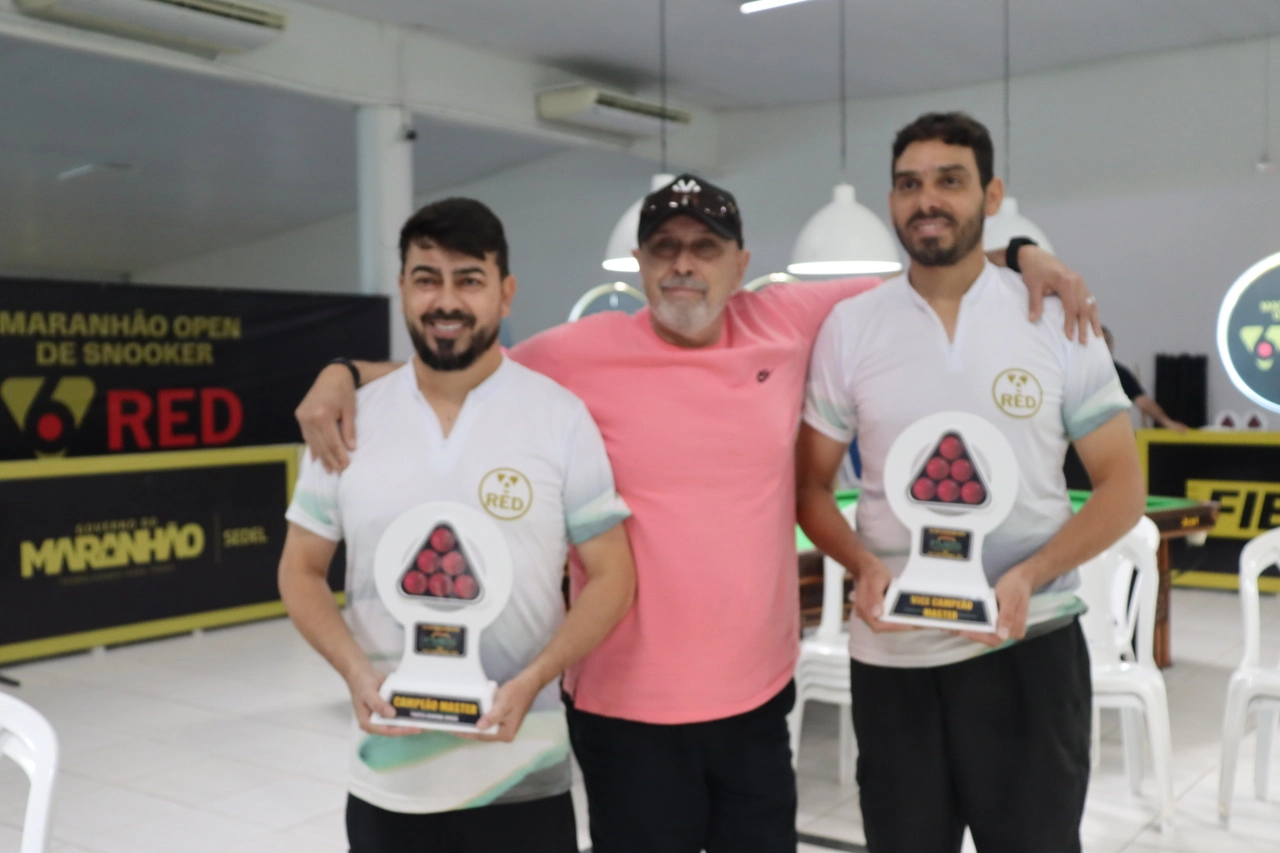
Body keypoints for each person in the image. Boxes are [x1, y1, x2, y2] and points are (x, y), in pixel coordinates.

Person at [295, 175, 1100, 853]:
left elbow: (934, 270)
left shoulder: (787, 319)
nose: (684, 266)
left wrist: (1025, 255)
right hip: (621, 708)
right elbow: (448, 361)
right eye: (664, 250)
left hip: (754, 702)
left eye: (705, 248)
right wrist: (339, 370)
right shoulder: (574, 353)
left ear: (741, 264)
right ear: (640, 265)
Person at [796, 112, 1145, 853]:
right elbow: (810, 489)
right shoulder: (850, 326)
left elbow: (1122, 487)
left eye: (949, 181)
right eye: (909, 184)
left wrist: (1029, 573)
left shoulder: (1055, 320)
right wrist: (859, 564)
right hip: (894, 657)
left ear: (990, 194)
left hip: (1029, 644)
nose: (928, 200)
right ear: (891, 201)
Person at [277, 198, 636, 853]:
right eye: (426, 278)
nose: (446, 299)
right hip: (390, 780)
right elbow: (299, 567)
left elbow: (613, 575)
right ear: (403, 290)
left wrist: (536, 677)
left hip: (525, 774)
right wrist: (356, 672)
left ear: (505, 293)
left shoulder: (558, 417)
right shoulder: (346, 421)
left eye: (468, 278)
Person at [1104, 325, 1189, 432]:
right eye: (1101, 342)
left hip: (1110, 435)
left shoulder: (1119, 373)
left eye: (1108, 342)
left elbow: (1142, 401)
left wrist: (1167, 422)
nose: (1105, 346)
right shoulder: (1079, 371)